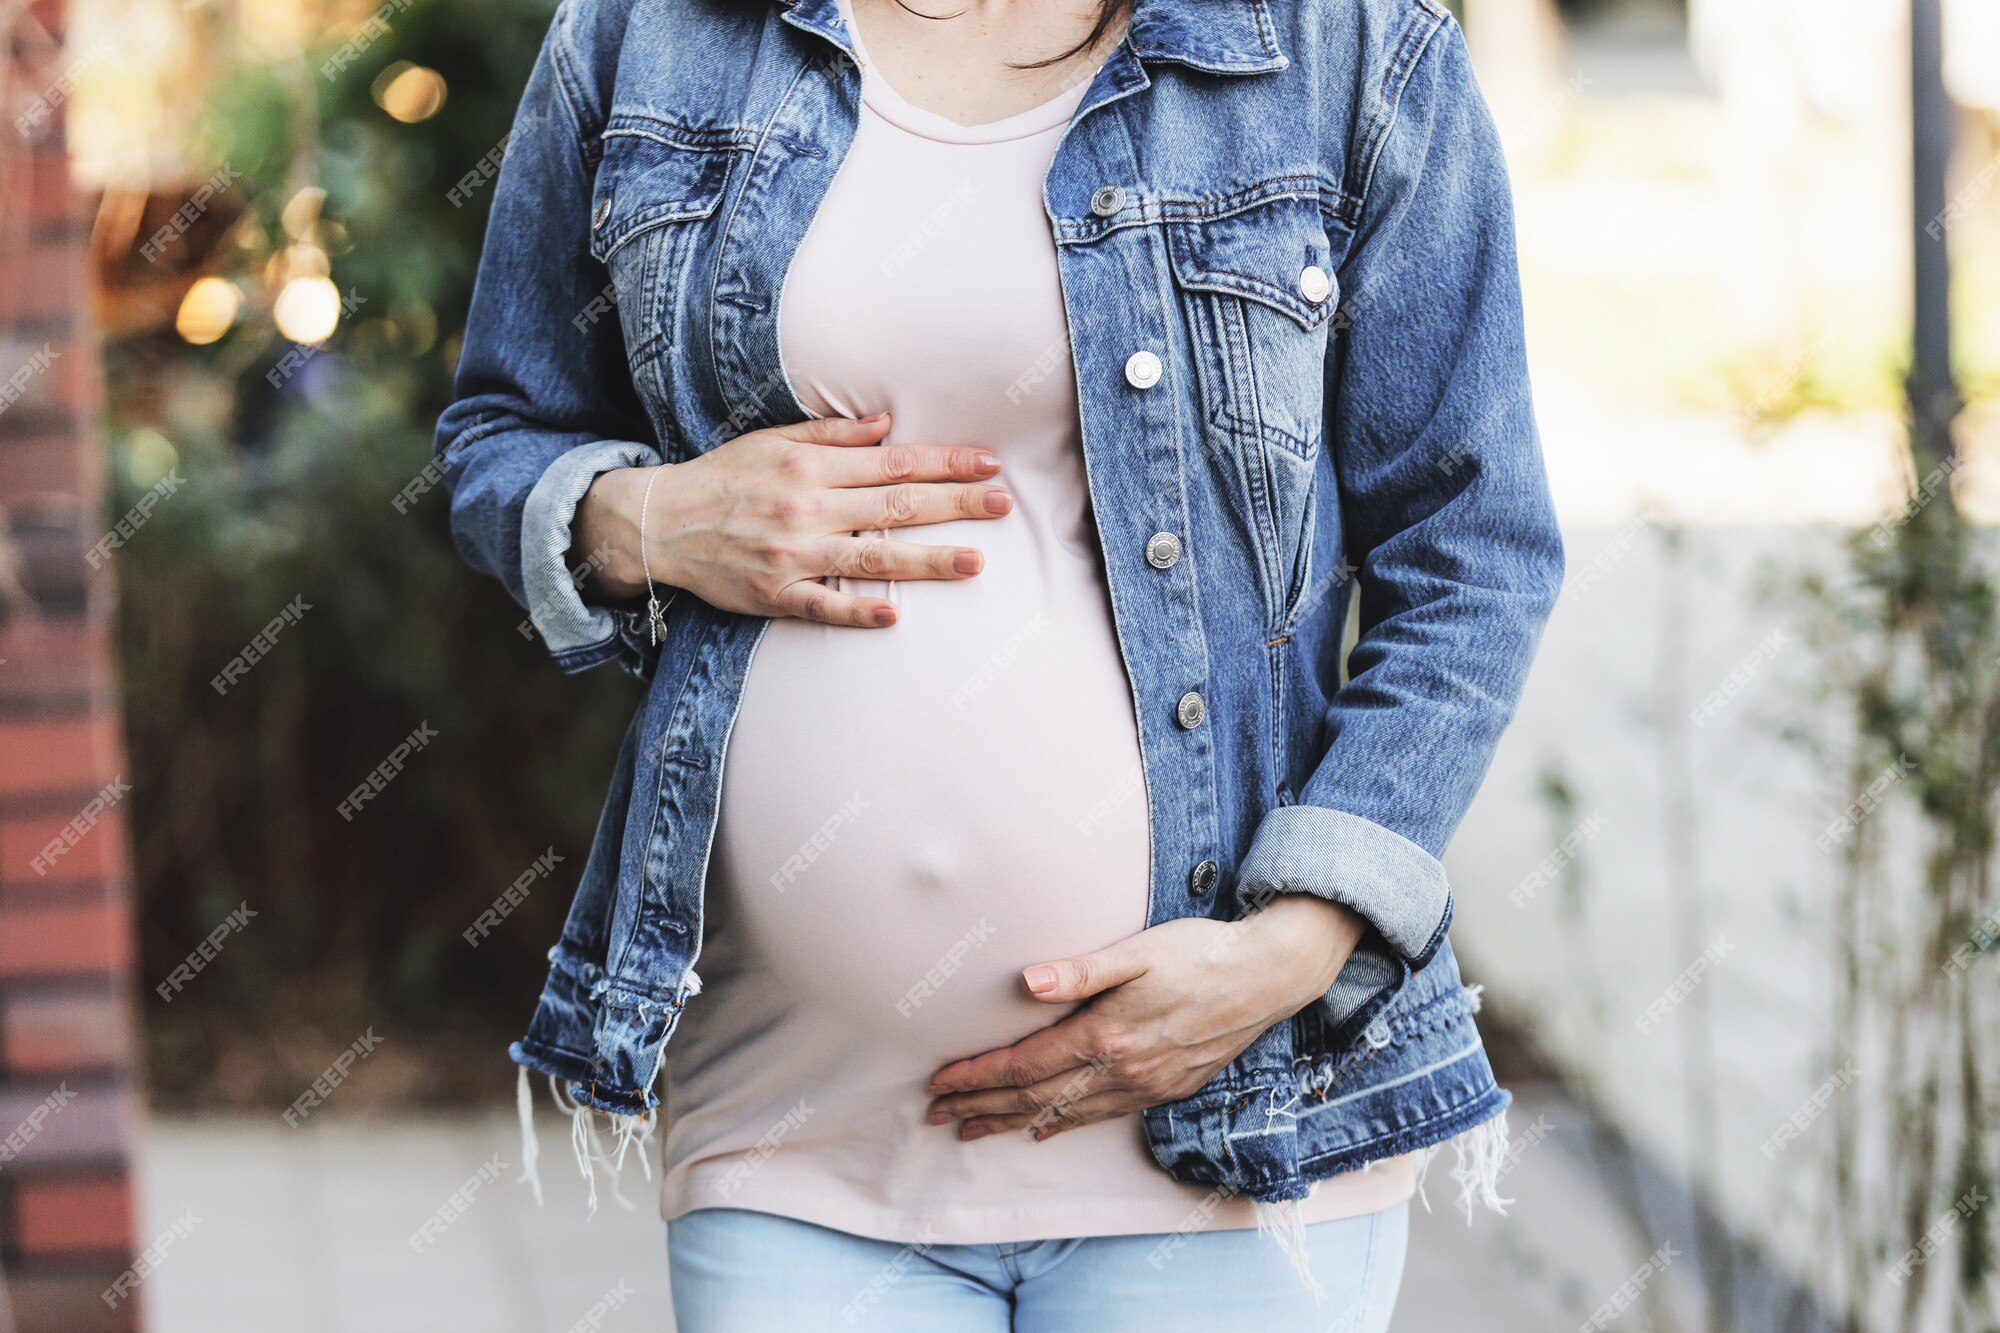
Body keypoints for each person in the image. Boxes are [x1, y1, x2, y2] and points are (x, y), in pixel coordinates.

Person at [434, 0, 1564, 1325]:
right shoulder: (652, 34)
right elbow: (501, 427)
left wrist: (1298, 945)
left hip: (1231, 1114)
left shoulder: (1343, 47)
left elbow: (1473, 549)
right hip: (793, 1131)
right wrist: (643, 520)